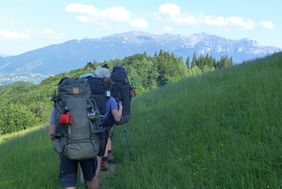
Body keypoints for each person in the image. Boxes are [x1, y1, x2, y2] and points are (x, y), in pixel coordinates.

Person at [49, 78, 99, 189]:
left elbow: (51, 133)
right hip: (89, 145)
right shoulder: (87, 101)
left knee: (69, 183)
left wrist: (56, 138)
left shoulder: (59, 105)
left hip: (68, 148)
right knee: (91, 177)